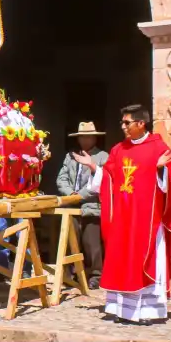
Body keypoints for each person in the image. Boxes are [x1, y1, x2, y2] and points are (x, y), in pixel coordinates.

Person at [92, 104, 171, 325]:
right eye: (122, 122)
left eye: (127, 122)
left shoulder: (159, 148)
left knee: (146, 259)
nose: (122, 126)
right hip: (124, 219)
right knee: (122, 260)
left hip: (148, 219)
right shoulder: (118, 150)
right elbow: (110, 177)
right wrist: (96, 170)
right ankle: (120, 309)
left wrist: (161, 169)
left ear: (141, 124)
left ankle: (148, 312)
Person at [55, 121, 109, 290]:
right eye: (82, 137)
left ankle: (95, 274)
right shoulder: (70, 157)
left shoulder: (103, 157)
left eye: (88, 137)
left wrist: (81, 195)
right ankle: (70, 273)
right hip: (70, 206)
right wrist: (70, 194)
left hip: (92, 206)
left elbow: (101, 181)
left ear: (94, 138)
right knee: (70, 241)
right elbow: (61, 178)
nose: (85, 140)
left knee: (91, 242)